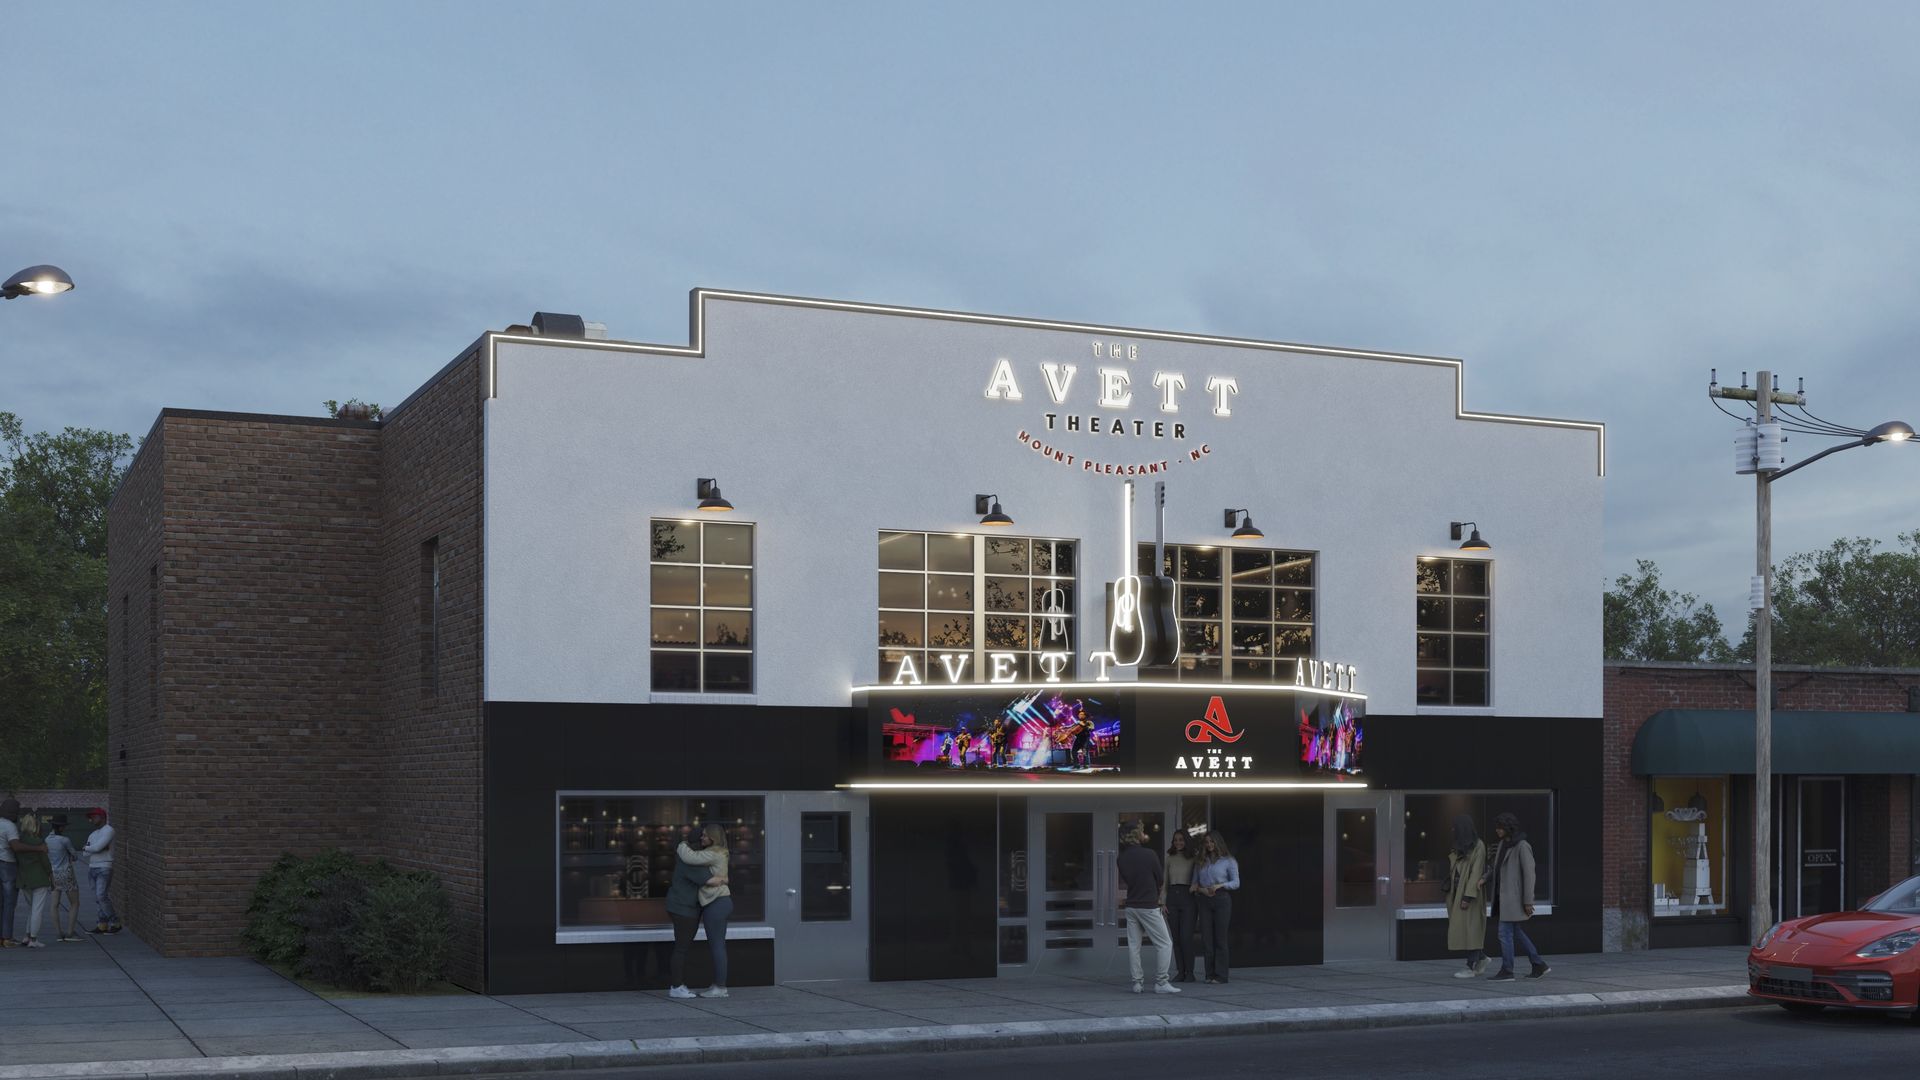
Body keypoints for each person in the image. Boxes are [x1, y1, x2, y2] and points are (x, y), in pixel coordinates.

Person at [666, 824, 731, 1000]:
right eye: (700, 836)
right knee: (683, 948)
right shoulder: (694, 859)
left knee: (715, 946)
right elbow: (708, 878)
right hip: (688, 908)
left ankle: (719, 987)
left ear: (713, 838)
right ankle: (678, 986)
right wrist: (723, 878)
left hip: (715, 903)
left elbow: (694, 859)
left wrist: (682, 845)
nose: (702, 839)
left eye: (705, 835)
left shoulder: (711, 853)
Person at [1115, 821, 1180, 995]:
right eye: (1143, 830)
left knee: (1134, 946)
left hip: (1131, 906)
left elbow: (1129, 880)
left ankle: (1137, 983)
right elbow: (1160, 879)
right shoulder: (1149, 854)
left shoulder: (1121, 858)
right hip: (1148, 905)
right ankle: (1161, 982)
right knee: (1165, 944)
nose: (1145, 833)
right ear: (1137, 834)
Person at [1483, 811, 1549, 981]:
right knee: (1516, 932)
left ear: (1508, 827)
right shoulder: (1502, 845)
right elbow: (1495, 868)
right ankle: (1538, 964)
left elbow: (1529, 874)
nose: (1497, 830)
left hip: (1513, 899)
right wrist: (1484, 879)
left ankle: (1507, 970)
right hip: (1501, 899)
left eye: (1500, 827)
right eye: (1497, 827)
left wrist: (1528, 901)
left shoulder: (1522, 846)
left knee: (1504, 933)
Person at [1191, 829, 1239, 983]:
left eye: (1212, 842)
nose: (1209, 845)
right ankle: (1209, 974)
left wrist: (1219, 885)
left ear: (1218, 843)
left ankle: (1221, 975)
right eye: (1206, 842)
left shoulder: (1229, 861)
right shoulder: (1200, 862)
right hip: (1204, 901)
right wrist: (1200, 889)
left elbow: (1236, 883)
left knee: (1220, 938)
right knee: (1207, 939)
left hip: (1221, 899)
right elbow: (1194, 884)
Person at [1446, 814, 1489, 978]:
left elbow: (1476, 873)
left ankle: (1470, 966)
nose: (1452, 829)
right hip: (1456, 894)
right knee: (1465, 931)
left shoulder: (1478, 846)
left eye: (1455, 826)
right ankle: (1482, 959)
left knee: (1472, 930)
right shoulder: (1459, 846)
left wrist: (1467, 897)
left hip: (1469, 895)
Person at [1164, 829, 1197, 982]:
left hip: (1188, 898)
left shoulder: (1194, 858)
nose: (1178, 842)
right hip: (1172, 897)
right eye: (1176, 840)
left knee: (1186, 937)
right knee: (1176, 938)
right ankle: (1180, 972)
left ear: (1187, 841)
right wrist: (1162, 901)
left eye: (1181, 840)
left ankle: (1190, 972)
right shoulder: (1169, 858)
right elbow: (1165, 882)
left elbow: (1198, 878)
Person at [16, 810, 53, 948]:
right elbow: (46, 863)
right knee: (37, 909)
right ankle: (33, 939)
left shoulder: (18, 841)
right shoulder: (38, 842)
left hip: (24, 880)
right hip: (39, 879)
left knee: (31, 908)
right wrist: (51, 875)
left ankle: (26, 936)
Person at [44, 815, 83, 942]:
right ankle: (70, 933)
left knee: (54, 904)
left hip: (53, 874)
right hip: (66, 873)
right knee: (75, 903)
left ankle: (58, 933)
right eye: (64, 826)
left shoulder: (47, 840)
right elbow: (75, 855)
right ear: (61, 827)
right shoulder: (64, 840)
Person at [83, 807, 120, 934]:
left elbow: (97, 848)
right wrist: (92, 848)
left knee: (101, 896)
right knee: (97, 898)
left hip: (104, 867)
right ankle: (102, 925)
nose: (92, 819)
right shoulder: (92, 834)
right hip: (92, 867)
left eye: (95, 817)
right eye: (91, 817)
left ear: (103, 817)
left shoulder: (109, 830)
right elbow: (85, 853)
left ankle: (115, 922)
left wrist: (91, 847)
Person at [0, 797, 26, 947]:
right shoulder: (9, 826)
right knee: (9, 903)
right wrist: (38, 848)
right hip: (7, 865)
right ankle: (7, 937)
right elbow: (16, 847)